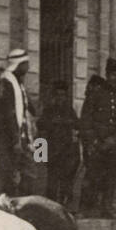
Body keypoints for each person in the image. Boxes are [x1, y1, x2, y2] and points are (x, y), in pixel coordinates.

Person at [80, 58, 116, 217]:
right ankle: (85, 209)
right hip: (96, 144)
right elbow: (86, 119)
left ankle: (106, 208)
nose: (115, 78)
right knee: (92, 176)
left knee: (110, 178)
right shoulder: (96, 93)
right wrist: (93, 141)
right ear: (107, 74)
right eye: (112, 74)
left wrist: (113, 140)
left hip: (112, 146)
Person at [0, 48, 37, 195]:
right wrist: (15, 140)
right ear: (18, 64)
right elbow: (9, 114)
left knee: (29, 174)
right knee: (20, 175)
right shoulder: (7, 83)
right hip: (14, 140)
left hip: (24, 139)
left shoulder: (18, 84)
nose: (28, 68)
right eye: (25, 63)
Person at [41, 80, 81, 208]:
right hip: (52, 154)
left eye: (63, 95)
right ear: (53, 96)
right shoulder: (48, 111)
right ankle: (49, 210)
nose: (60, 98)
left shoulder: (69, 111)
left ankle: (64, 209)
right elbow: (41, 129)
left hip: (66, 154)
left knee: (66, 185)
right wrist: (40, 156)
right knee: (51, 185)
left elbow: (77, 126)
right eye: (58, 95)